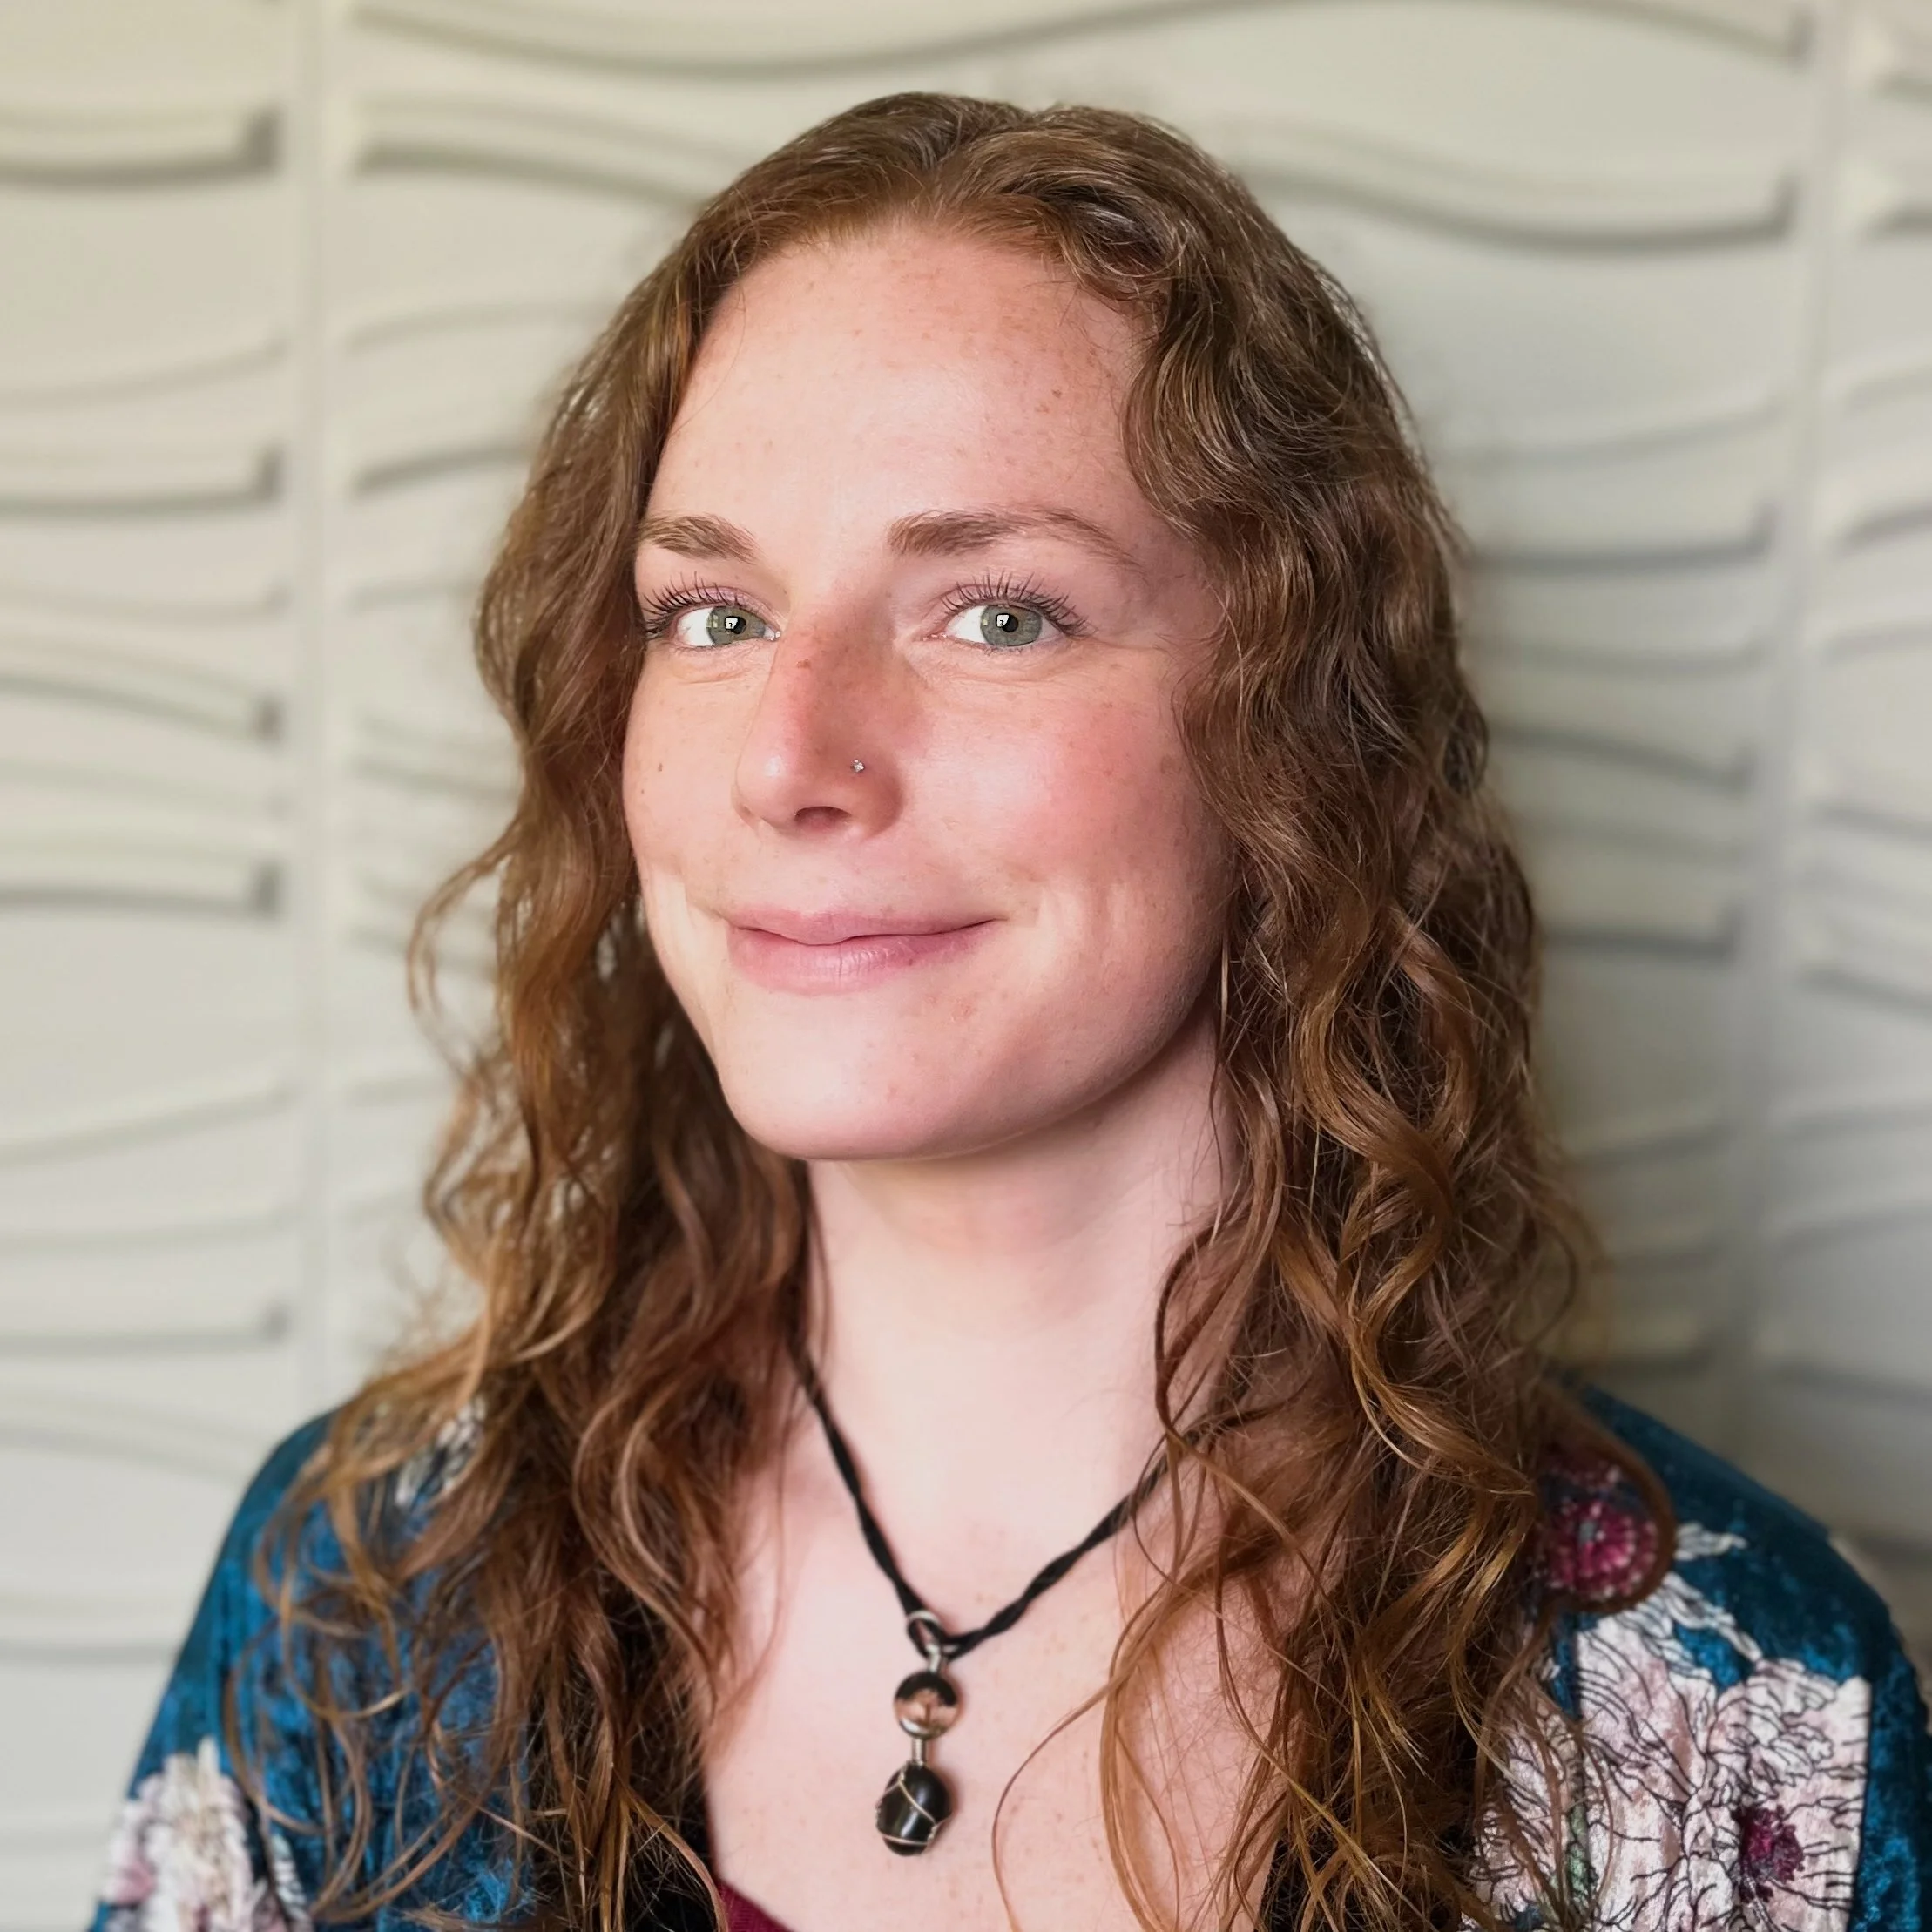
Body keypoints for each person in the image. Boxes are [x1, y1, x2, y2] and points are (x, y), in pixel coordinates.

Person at [94, 93, 1928, 1932]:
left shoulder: (1718, 1707)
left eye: (995, 614)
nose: (790, 759)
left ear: (1298, 729)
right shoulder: (367, 1600)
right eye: (712, 613)